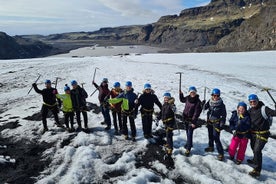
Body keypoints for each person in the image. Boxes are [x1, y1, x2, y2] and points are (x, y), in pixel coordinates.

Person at [247, 94, 276, 178]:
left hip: (262, 134)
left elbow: (274, 113)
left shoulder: (264, 109)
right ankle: (255, 160)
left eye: (254, 101)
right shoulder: (250, 110)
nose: (253, 103)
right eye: (251, 102)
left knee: (257, 150)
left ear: (257, 100)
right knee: (253, 148)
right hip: (253, 133)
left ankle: (257, 170)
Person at [203, 88, 227, 161]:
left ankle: (221, 153)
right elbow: (205, 108)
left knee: (216, 137)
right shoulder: (210, 101)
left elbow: (224, 115)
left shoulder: (221, 105)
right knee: (210, 135)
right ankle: (211, 147)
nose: (215, 97)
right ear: (212, 95)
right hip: (209, 121)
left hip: (217, 123)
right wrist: (203, 104)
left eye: (217, 95)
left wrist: (222, 124)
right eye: (214, 95)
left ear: (219, 96)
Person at [179, 86, 202, 156]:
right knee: (187, 132)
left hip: (192, 120)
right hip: (185, 118)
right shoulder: (187, 98)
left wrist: (193, 122)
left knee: (190, 133)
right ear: (189, 92)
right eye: (191, 92)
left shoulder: (197, 102)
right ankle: (189, 143)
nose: (192, 93)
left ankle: (188, 149)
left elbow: (196, 113)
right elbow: (182, 100)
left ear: (195, 93)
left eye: (194, 92)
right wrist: (181, 94)